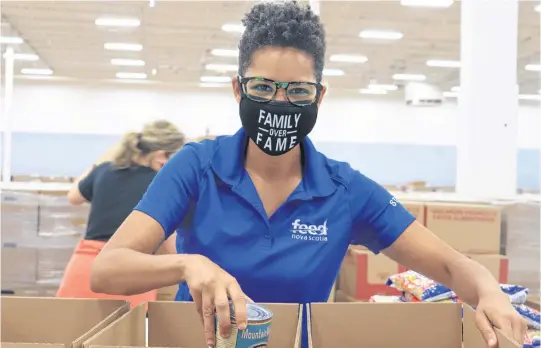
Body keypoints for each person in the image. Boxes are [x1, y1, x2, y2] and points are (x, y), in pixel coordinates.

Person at [90, 2, 527, 347]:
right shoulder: (197, 167)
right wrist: (188, 264)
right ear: (238, 89)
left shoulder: (344, 190)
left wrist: (488, 291)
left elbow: (451, 263)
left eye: (297, 91)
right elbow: (107, 270)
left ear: (319, 97)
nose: (279, 103)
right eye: (262, 88)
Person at [56, 120, 185, 306]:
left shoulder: (104, 170)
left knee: (70, 332)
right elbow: (171, 245)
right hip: (129, 271)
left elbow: (73, 197)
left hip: (86, 269)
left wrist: (101, 161)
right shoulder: (160, 182)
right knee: (127, 333)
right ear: (161, 155)